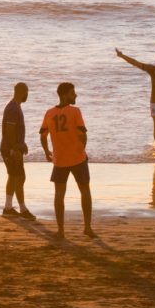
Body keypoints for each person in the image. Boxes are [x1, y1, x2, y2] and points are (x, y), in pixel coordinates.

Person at [40, 82, 95, 239]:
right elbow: (83, 134)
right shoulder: (75, 111)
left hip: (60, 160)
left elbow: (43, 135)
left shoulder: (49, 113)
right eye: (73, 93)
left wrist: (46, 152)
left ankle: (61, 230)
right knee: (85, 191)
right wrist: (83, 148)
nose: (75, 95)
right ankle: (87, 228)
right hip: (78, 158)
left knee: (59, 194)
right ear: (64, 95)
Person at [0, 82, 35, 220]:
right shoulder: (13, 108)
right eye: (27, 92)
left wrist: (22, 144)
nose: (28, 95)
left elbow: (15, 131)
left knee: (14, 176)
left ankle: (8, 207)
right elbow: (9, 131)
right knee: (20, 177)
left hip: (11, 147)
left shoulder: (15, 107)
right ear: (22, 92)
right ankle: (23, 209)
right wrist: (15, 149)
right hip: (11, 149)